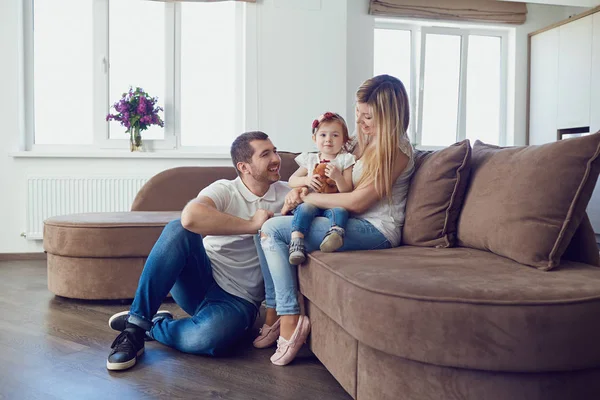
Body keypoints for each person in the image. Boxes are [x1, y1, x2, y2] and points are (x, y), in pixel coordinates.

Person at [255, 75, 415, 366]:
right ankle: (275, 310)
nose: (361, 122)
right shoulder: (362, 142)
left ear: (390, 117)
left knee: (273, 230)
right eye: (358, 113)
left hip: (376, 229)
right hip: (346, 219)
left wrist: (306, 199)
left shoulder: (396, 151)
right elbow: (325, 171)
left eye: (369, 117)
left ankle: (290, 318)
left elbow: (357, 201)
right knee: (264, 229)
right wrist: (301, 190)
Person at [105, 131, 289, 371]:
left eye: (275, 151)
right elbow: (190, 217)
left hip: (239, 301)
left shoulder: (288, 194)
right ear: (244, 166)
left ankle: (155, 324)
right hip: (200, 278)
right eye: (266, 154)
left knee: (207, 339)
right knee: (178, 229)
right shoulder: (225, 189)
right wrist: (252, 225)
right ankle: (134, 329)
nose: (276, 158)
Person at [285, 112, 355, 266]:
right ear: (314, 139)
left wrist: (338, 177)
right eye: (323, 135)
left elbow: (347, 190)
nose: (328, 139)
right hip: (313, 202)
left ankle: (335, 235)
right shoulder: (310, 159)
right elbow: (292, 180)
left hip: (333, 202)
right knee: (304, 209)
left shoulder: (345, 160)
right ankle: (297, 241)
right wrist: (306, 179)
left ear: (344, 139)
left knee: (341, 211)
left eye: (335, 135)